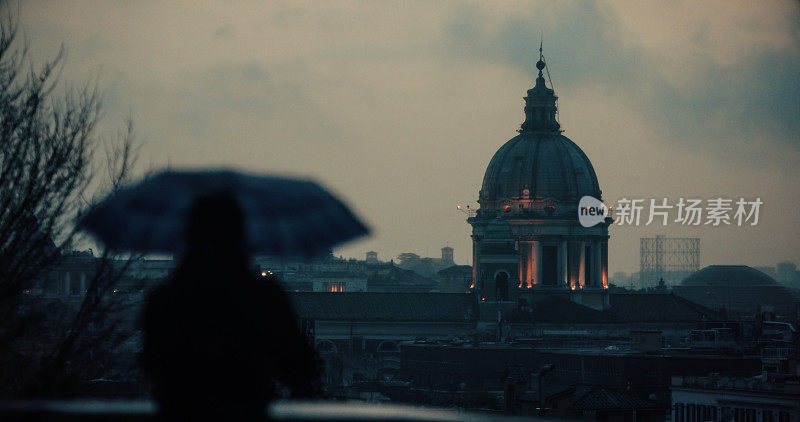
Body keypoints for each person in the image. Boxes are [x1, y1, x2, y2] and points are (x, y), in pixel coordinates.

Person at [141, 193, 320, 421]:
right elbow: (299, 368)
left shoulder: (165, 297)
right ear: (242, 236)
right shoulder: (265, 297)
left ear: (189, 236)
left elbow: (150, 363)